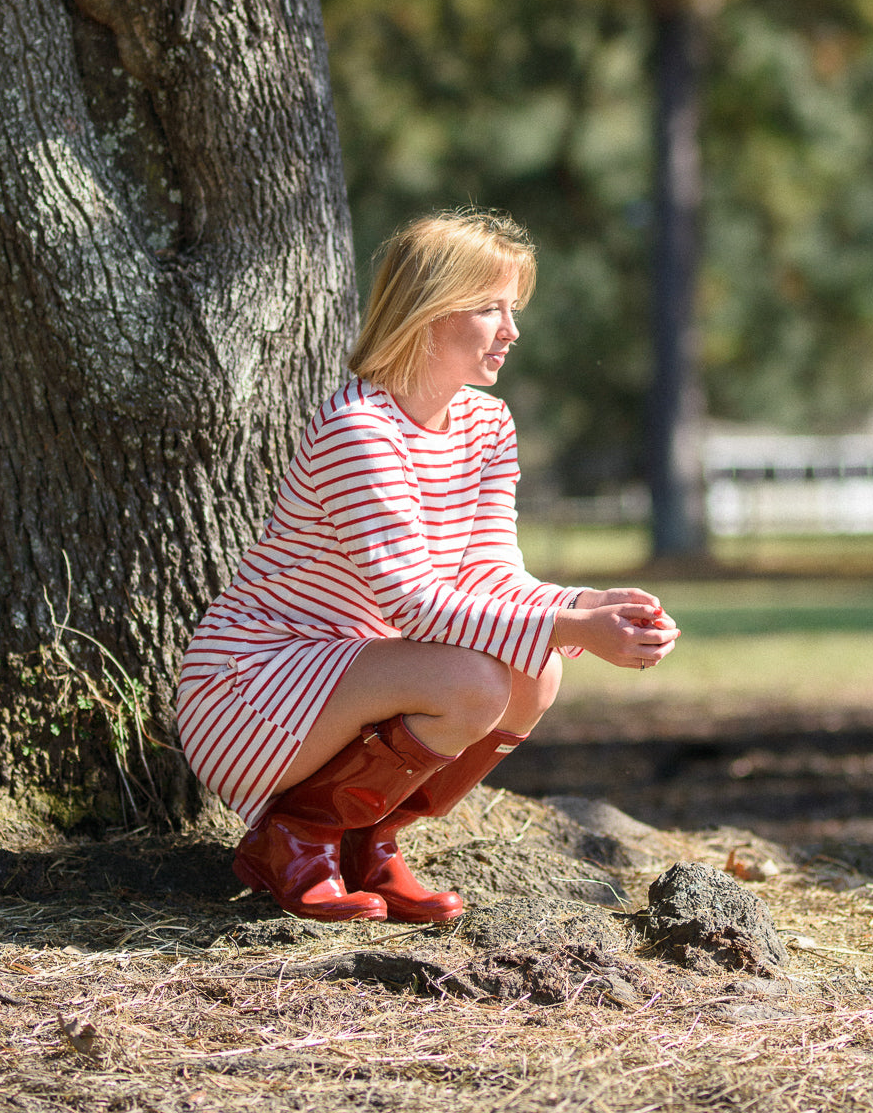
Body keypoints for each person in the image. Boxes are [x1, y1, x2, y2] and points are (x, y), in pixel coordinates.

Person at [176, 209, 678, 924]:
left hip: (350, 677)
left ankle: (366, 842)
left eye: (513, 309)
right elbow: (413, 603)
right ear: (427, 313)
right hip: (250, 687)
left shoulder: (485, 424)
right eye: (488, 308)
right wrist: (570, 623)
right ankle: (294, 837)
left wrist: (590, 607)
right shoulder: (360, 429)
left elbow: (490, 576)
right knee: (470, 680)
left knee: (536, 671)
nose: (511, 330)